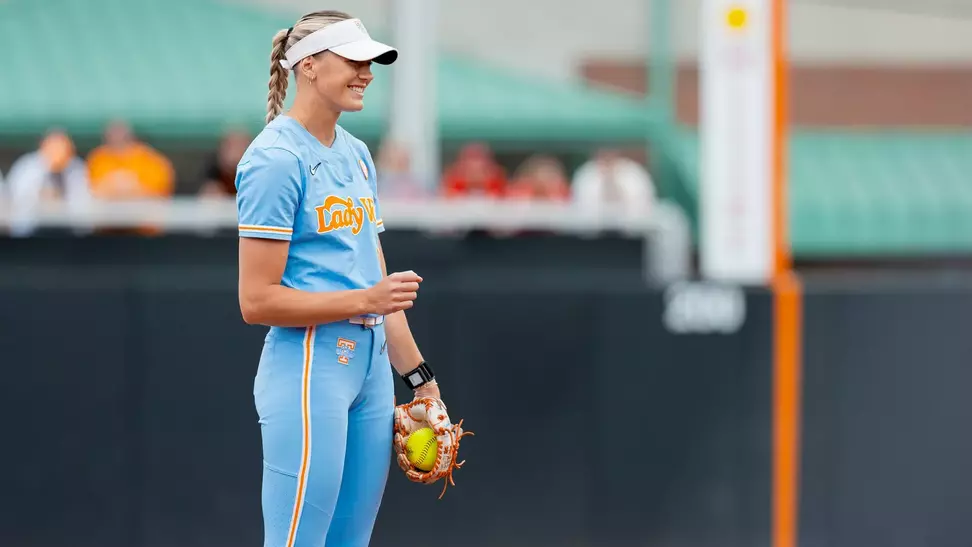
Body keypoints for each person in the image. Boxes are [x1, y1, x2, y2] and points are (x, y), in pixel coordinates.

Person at [234, 11, 457, 547]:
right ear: (308, 65)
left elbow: (379, 280)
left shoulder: (355, 154)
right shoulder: (275, 158)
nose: (367, 72)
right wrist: (368, 298)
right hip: (309, 366)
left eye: (370, 62)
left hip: (370, 368)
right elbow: (255, 300)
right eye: (354, 60)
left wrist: (421, 380)